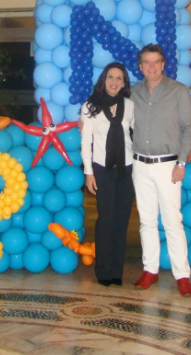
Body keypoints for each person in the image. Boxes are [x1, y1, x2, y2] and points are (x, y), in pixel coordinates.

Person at [130, 44, 191, 297]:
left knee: (172, 221)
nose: (152, 66)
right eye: (147, 62)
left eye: (156, 61)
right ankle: (150, 270)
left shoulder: (178, 91)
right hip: (140, 165)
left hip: (168, 165)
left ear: (163, 64)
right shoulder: (132, 93)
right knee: (146, 221)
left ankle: (182, 275)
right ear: (140, 66)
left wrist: (182, 163)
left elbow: (188, 128)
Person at [81, 62, 136, 287]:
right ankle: (103, 270)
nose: (114, 81)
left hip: (127, 168)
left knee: (122, 220)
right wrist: (88, 172)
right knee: (106, 219)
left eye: (119, 78)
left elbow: (135, 134)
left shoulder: (130, 105)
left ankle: (116, 270)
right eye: (110, 77)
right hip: (102, 169)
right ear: (104, 80)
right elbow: (86, 141)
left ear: (124, 83)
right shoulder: (90, 106)